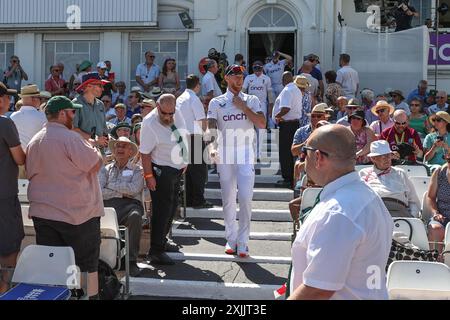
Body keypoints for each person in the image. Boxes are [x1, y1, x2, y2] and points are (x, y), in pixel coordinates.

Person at [288, 124, 393, 300]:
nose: (303, 159)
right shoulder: (366, 195)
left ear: (318, 157)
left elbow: (317, 290)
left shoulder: (337, 213)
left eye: (305, 152)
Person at [26, 96, 104, 300]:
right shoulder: (71, 138)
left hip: (44, 214)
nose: (74, 116)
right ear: (62, 114)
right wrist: (95, 147)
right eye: (72, 112)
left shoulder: (35, 140)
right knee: (87, 266)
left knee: (54, 267)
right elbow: (95, 164)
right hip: (76, 214)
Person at [206, 65, 266, 258]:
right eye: (235, 76)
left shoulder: (252, 99)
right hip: (224, 153)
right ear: (226, 78)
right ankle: (231, 239)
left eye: (241, 76)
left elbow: (262, 123)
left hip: (246, 153)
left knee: (246, 198)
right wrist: (212, 147)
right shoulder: (217, 102)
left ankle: (243, 242)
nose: (239, 80)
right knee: (228, 198)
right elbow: (212, 126)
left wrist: (243, 107)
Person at [140, 94, 188, 265]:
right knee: (161, 211)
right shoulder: (149, 122)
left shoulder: (176, 112)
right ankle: (155, 250)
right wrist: (148, 176)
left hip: (176, 169)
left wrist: (185, 159)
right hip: (161, 170)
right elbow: (144, 153)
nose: (168, 117)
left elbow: (181, 135)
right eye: (164, 113)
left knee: (172, 208)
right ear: (157, 107)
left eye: (171, 113)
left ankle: (162, 240)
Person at [99, 137, 144, 276]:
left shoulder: (137, 170)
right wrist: (121, 193)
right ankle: (100, 260)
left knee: (135, 217)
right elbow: (99, 191)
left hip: (130, 205)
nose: (119, 149)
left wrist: (110, 187)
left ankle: (131, 261)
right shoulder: (105, 170)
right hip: (108, 206)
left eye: (124, 146)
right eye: (117, 146)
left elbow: (134, 189)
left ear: (130, 152)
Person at [0, 83, 25, 294]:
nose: (9, 101)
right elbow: (20, 158)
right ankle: (5, 289)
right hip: (3, 196)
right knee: (10, 244)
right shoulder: (5, 124)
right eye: (6, 97)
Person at [360, 140, 421, 218]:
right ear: (373, 159)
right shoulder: (364, 173)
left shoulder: (400, 173)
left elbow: (413, 200)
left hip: (399, 211)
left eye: (388, 155)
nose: (387, 159)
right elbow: (359, 199)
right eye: (383, 156)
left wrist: (412, 217)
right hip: (374, 212)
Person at [177, 74, 211, 209]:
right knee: (199, 171)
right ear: (197, 85)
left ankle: (189, 199)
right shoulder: (194, 99)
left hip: (181, 138)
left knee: (189, 171)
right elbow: (201, 121)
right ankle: (198, 199)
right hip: (194, 138)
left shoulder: (179, 98)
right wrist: (207, 137)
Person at [273, 73, 303, 188]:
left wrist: (277, 116)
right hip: (294, 124)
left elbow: (286, 108)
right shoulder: (296, 89)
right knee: (291, 153)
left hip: (287, 125)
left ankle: (287, 178)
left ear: (283, 80)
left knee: (285, 152)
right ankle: (291, 177)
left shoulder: (287, 90)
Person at [72, 73, 110, 148]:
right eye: (100, 86)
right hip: (82, 151)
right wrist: (94, 140)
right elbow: (73, 129)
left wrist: (107, 138)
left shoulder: (101, 104)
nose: (103, 89)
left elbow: (104, 129)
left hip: (99, 151)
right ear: (89, 86)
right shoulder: (75, 104)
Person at [427, 157, 450, 251]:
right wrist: (436, 213)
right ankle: (437, 261)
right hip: (442, 215)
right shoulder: (439, 172)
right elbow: (431, 197)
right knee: (436, 229)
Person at [243, 61, 274, 129]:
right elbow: (243, 90)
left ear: (262, 68)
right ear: (253, 69)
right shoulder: (248, 77)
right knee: (249, 124)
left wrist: (271, 106)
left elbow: (270, 94)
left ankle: (260, 139)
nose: (257, 72)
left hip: (262, 104)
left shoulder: (266, 78)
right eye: (255, 69)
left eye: (259, 69)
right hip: (250, 104)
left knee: (261, 126)